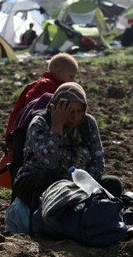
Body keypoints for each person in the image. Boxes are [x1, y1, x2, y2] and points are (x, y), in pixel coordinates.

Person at [13, 82, 124, 218]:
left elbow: (98, 161)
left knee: (112, 184)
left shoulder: (88, 123)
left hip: (78, 184)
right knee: (49, 178)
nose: (75, 117)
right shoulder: (40, 122)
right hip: (39, 183)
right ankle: (43, 221)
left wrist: (85, 183)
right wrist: (57, 126)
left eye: (79, 111)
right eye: (70, 111)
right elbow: (49, 163)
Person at [4, 53, 78, 150]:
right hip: (22, 132)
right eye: (71, 76)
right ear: (59, 73)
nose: (74, 81)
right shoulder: (44, 84)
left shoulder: (57, 86)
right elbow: (33, 108)